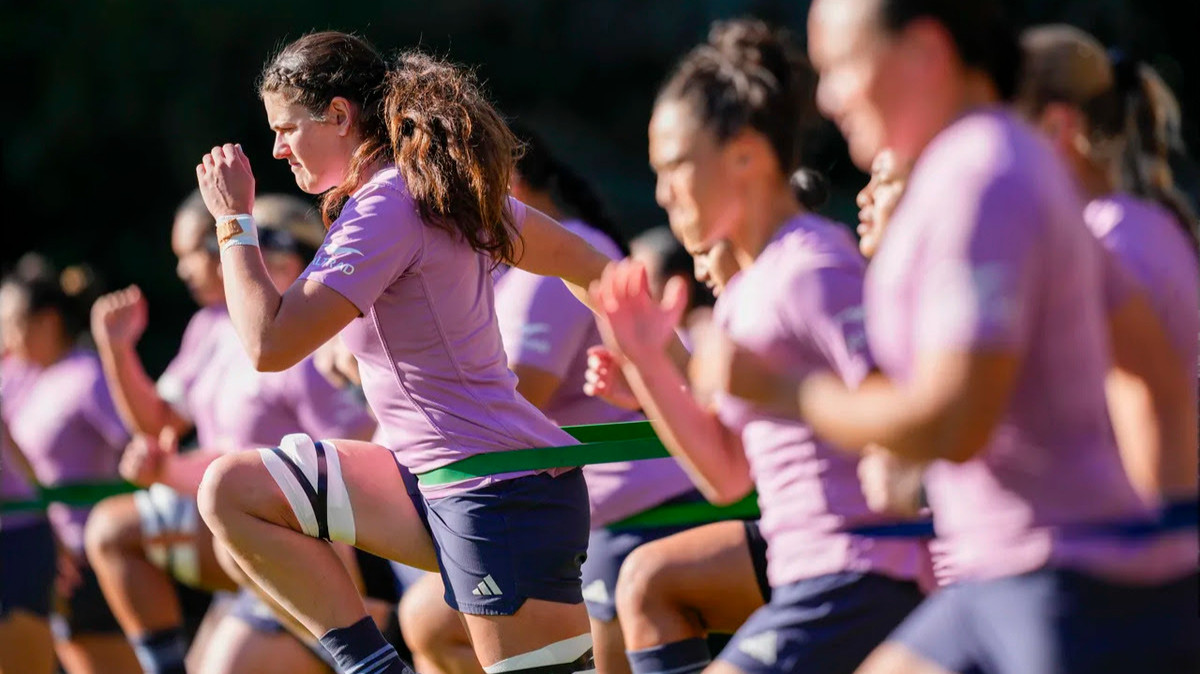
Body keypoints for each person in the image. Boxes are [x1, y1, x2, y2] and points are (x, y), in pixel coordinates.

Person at [754, 1, 1200, 672]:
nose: (826, 97)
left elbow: (952, 423)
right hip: (1005, 580)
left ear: (926, 50)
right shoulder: (987, 166)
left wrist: (785, 391)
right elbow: (1151, 373)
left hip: (1061, 586)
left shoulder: (984, 175)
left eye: (840, 67)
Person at [193, 32, 626, 674]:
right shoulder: (412, 194)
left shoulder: (387, 206)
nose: (277, 148)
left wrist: (233, 222)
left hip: (495, 495)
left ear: (340, 116)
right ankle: (372, 665)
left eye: (286, 129)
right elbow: (592, 265)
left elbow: (268, 342)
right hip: (431, 482)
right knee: (234, 489)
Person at [590, 18, 929, 674]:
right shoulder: (746, 291)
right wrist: (647, 362)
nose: (662, 193)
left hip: (867, 576)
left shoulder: (814, 270)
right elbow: (727, 475)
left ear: (746, 155)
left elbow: (905, 416)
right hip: (806, 577)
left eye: (676, 167)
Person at [398, 124, 700, 674]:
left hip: (635, 510)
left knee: (430, 617)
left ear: (503, 178)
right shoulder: (508, 266)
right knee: (426, 618)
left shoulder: (549, 264)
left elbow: (506, 403)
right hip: (573, 511)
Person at [86, 194, 386, 674]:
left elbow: (351, 461)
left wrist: (173, 471)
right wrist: (117, 353)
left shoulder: (311, 337)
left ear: (285, 258)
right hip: (237, 527)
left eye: (212, 245)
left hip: (296, 536)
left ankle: (367, 636)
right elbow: (162, 423)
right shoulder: (211, 326)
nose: (194, 267)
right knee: (111, 532)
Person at [1016, 25, 1199, 505]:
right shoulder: (1134, 224)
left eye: (1012, 133)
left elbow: (1144, 414)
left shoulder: (1108, 241)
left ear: (1058, 127)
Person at [0, 260, 141, 674]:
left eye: (12, 323)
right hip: (45, 559)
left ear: (46, 322)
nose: (5, 337)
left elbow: (138, 451)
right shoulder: (20, 377)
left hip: (92, 563)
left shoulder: (88, 376)